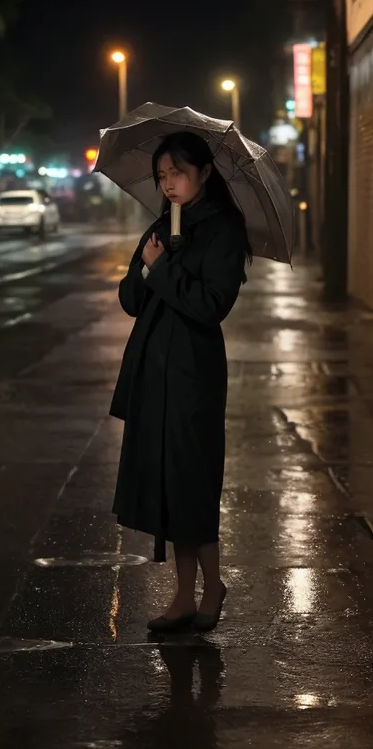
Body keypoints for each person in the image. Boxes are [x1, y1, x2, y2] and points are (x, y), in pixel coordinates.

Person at [109, 131, 251, 633]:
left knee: (193, 479)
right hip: (154, 370)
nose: (168, 184)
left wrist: (164, 266)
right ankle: (184, 595)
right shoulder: (161, 226)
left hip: (193, 372)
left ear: (204, 173)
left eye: (178, 173)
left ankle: (212, 585)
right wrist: (147, 266)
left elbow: (211, 306)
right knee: (168, 483)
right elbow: (131, 301)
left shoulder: (225, 230)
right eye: (162, 175)